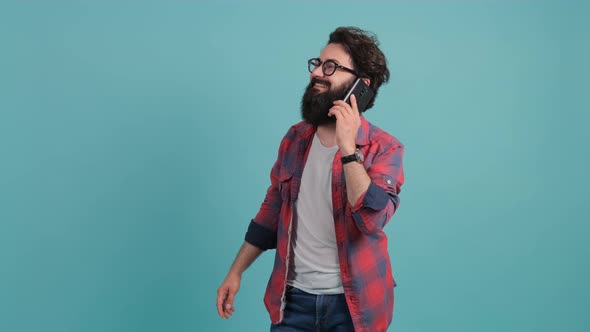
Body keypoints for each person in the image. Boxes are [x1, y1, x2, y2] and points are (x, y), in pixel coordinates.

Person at [216, 26, 405, 332]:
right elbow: (271, 212)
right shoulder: (295, 138)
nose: (317, 72)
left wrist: (348, 150)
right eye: (317, 64)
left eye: (330, 66)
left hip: (354, 308)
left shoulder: (384, 148)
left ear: (361, 86)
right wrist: (235, 271)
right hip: (293, 303)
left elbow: (371, 219)